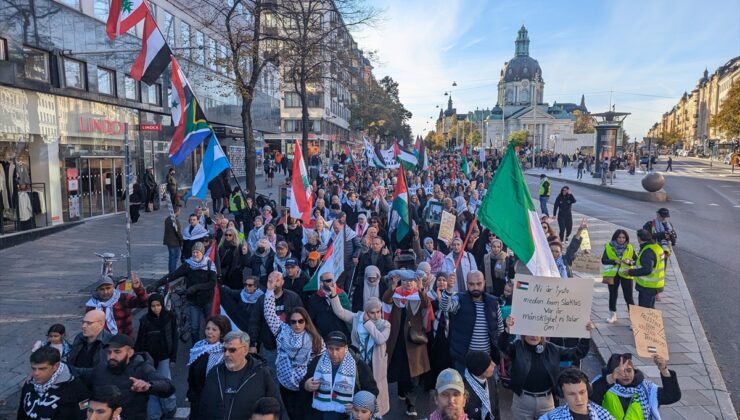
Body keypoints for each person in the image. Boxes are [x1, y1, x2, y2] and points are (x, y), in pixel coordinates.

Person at [500, 316, 595, 419]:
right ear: (523, 331)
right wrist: (507, 331)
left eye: (538, 331)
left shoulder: (553, 349)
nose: (534, 336)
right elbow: (502, 346)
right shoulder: (517, 347)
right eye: (530, 331)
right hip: (522, 400)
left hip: (547, 400)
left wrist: (586, 335)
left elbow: (578, 353)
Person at [264, 275, 324, 419]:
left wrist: (313, 381)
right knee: (290, 414)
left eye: (300, 321)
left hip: (305, 386)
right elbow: (269, 313)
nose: (297, 324)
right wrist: (270, 291)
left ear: (306, 321)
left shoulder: (315, 339)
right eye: (293, 321)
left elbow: (322, 362)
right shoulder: (282, 331)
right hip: (284, 384)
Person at [78, 334, 175, 420]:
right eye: (109, 352)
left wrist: (149, 386)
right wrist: (82, 406)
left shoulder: (141, 369)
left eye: (117, 352)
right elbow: (79, 374)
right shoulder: (100, 370)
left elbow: (168, 386)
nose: (112, 356)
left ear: (130, 353)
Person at [199, 331, 286, 420]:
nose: (226, 354)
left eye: (232, 350)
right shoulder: (214, 372)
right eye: (224, 349)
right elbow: (203, 406)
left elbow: (276, 408)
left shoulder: (261, 373)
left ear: (245, 350)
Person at [330, 295, 391, 417]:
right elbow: (340, 312)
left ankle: (375, 415)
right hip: (358, 362)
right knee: (357, 388)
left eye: (378, 312)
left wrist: (368, 323)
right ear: (366, 312)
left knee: (375, 391)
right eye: (372, 313)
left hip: (376, 364)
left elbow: (380, 339)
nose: (376, 315)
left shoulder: (385, 324)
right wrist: (333, 296)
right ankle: (357, 414)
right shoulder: (357, 318)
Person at [382, 269, 430, 416]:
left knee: (413, 372)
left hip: (413, 339)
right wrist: (393, 286)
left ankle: (412, 404)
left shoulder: (417, 293)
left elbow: (426, 303)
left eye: (411, 281)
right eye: (406, 281)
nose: (409, 284)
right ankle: (402, 391)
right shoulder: (396, 293)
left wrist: (421, 287)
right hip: (397, 339)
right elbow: (385, 299)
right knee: (401, 367)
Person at [302, 331, 379, 418]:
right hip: (319, 414)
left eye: (338, 349)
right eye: (330, 349)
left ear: (345, 348)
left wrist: (358, 406)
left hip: (346, 415)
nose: (334, 353)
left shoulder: (358, 365)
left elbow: (372, 391)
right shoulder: (317, 362)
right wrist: (306, 385)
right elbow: (303, 383)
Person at [151, 241, 216, 341]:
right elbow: (173, 275)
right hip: (193, 301)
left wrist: (195, 288)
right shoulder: (188, 265)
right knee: (194, 328)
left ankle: (209, 348)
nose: (195, 254)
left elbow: (212, 283)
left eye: (197, 252)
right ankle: (196, 351)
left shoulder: (209, 264)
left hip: (207, 300)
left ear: (202, 253)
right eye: (193, 252)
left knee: (210, 328)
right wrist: (157, 283)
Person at [441, 270, 504, 374]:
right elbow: (445, 307)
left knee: (486, 389)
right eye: (471, 284)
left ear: (484, 282)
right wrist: (448, 290)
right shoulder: (460, 299)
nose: (475, 287)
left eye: (478, 284)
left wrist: (499, 351)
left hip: (487, 360)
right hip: (463, 359)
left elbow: (500, 329)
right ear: (467, 283)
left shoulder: (493, 302)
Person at [591, 353, 681, 420]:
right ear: (612, 372)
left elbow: (672, 396)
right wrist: (610, 379)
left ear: (634, 370)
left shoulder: (646, 389)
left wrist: (664, 370)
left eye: (629, 370)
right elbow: (591, 395)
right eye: (621, 372)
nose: (626, 375)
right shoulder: (603, 385)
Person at [248, 271, 304, 375]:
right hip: (270, 346)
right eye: (271, 280)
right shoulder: (262, 300)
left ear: (283, 282)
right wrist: (252, 343)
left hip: (290, 346)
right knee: (271, 376)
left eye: (277, 280)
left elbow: (302, 319)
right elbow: (254, 322)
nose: (274, 283)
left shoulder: (293, 297)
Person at [134, 294, 178, 419]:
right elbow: (141, 339)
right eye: (153, 306)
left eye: (158, 305)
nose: (156, 308)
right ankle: (154, 415)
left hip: (164, 356)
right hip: (149, 358)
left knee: (164, 383)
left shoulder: (170, 317)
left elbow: (174, 338)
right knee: (151, 387)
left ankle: (169, 408)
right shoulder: (145, 320)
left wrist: (173, 357)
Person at [17, 346, 89, 420]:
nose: (36, 373)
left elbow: (85, 406)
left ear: (55, 366)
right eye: (34, 369)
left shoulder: (75, 386)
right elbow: (22, 413)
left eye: (42, 369)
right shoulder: (29, 385)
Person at [187, 315, 232, 419]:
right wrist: (191, 395)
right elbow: (191, 374)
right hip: (198, 400)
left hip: (217, 403)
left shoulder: (226, 352)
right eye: (208, 328)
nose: (209, 332)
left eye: (214, 329)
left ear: (222, 333)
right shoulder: (198, 347)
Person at [85, 273, 148, 338]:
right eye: (102, 289)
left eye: (108, 288)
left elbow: (144, 303)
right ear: (97, 290)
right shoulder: (92, 304)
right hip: (102, 342)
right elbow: (88, 324)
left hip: (123, 341)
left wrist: (138, 289)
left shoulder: (123, 298)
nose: (106, 292)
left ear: (113, 287)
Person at [539, 368, 615, 420]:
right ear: (562, 394)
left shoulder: (604, 415)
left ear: (588, 390)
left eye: (582, 392)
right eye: (571, 394)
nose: (578, 399)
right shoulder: (551, 417)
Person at [601, 229, 636, 324]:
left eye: (623, 237)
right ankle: (613, 315)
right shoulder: (609, 246)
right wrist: (614, 261)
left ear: (626, 238)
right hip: (612, 274)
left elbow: (636, 261)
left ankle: (633, 319)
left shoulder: (630, 247)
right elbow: (603, 260)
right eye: (619, 237)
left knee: (628, 297)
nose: (621, 239)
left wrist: (630, 262)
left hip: (626, 274)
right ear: (615, 238)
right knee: (613, 294)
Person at [624, 229, 665, 309]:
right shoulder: (656, 247)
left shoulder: (648, 251)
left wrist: (630, 272)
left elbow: (647, 269)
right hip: (656, 285)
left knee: (645, 311)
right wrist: (633, 263)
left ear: (639, 238)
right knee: (650, 309)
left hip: (648, 286)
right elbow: (652, 263)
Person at [307, 271, 352, 338]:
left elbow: (348, 315)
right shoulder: (314, 298)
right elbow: (311, 319)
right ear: (321, 283)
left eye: (333, 280)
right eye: (328, 281)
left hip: (342, 334)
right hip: (324, 336)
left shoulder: (342, 295)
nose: (332, 283)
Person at [463, 350, 499, 420]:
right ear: (480, 369)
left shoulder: (491, 379)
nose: (494, 364)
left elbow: (496, 407)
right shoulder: (464, 388)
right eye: (489, 364)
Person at [163, 205, 183, 273]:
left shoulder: (168, 219)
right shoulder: (175, 221)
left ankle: (171, 272)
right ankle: (173, 272)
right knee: (174, 258)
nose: (180, 213)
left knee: (171, 258)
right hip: (175, 242)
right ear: (176, 211)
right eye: (179, 211)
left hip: (169, 241)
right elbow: (178, 232)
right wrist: (182, 241)